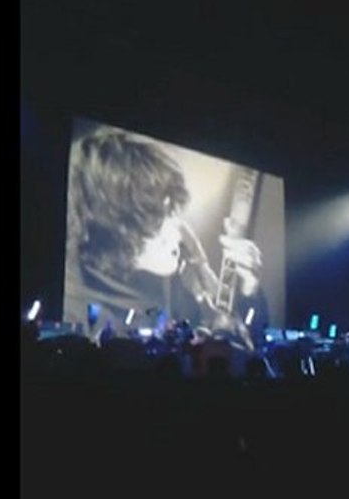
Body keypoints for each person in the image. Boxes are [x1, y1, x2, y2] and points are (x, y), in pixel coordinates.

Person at [63, 124, 268, 353]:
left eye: (172, 212)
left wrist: (248, 291)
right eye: (160, 218)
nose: (177, 230)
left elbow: (243, 339)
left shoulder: (177, 267)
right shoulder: (78, 313)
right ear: (118, 227)